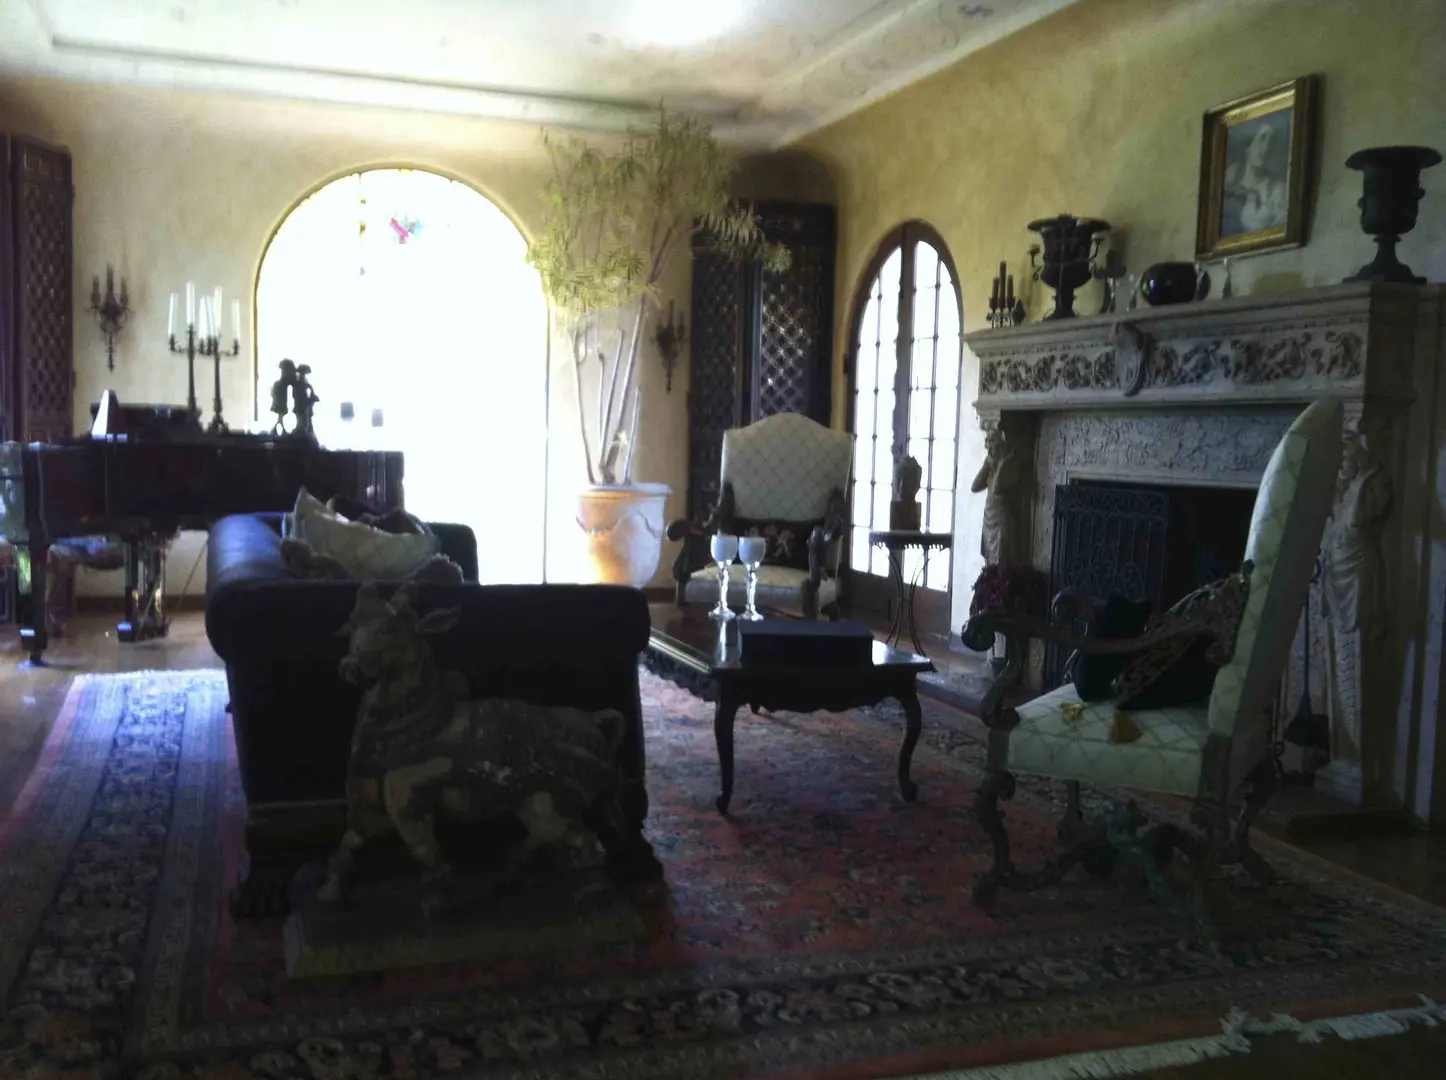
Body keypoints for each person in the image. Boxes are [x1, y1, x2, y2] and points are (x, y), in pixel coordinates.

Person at [1222, 120, 1288, 235]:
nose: (1266, 146)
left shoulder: (1277, 189)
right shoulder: (1231, 181)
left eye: (1271, 141)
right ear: (1248, 145)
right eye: (1262, 138)